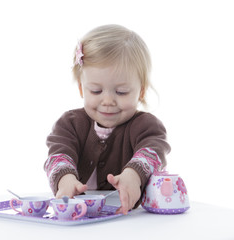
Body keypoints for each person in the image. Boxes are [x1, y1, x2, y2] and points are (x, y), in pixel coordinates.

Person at [44, 24, 170, 215]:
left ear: (141, 91)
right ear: (81, 88)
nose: (108, 101)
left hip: (131, 218)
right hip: (80, 215)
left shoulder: (147, 126)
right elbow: (59, 155)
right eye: (96, 91)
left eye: (121, 92)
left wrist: (133, 175)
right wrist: (65, 179)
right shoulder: (69, 124)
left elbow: (152, 152)